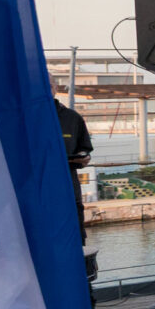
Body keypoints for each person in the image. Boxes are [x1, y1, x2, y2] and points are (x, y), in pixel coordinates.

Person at [53, 72, 94, 247]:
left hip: (69, 190)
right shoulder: (24, 118)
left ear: (55, 88)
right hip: (37, 194)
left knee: (75, 239)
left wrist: (83, 157)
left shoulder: (72, 118)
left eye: (49, 86)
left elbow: (85, 148)